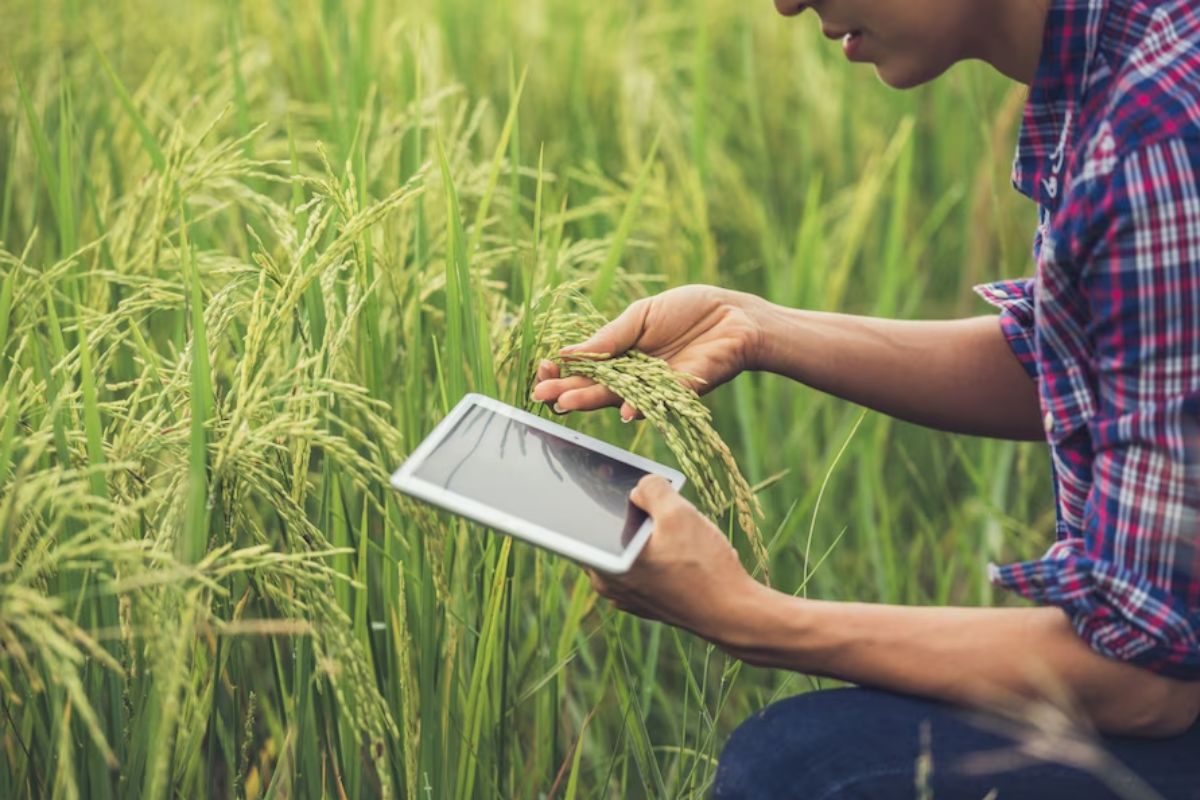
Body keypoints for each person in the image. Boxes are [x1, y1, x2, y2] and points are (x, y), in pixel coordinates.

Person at [530, 0, 1200, 797]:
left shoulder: (1153, 142)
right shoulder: (1123, 62)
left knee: (800, 771)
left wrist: (745, 616)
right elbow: (1099, 372)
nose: (785, 2)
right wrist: (756, 325)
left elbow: (1145, 680)